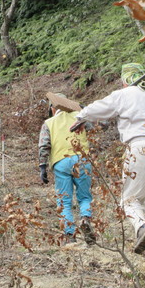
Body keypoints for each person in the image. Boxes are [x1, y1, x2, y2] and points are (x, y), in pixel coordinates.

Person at [71, 63, 145, 263]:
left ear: (125, 80)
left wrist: (81, 117)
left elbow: (100, 107)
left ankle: (142, 227)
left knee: (130, 199)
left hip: (138, 146)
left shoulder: (124, 94)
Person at [38, 94, 96, 245]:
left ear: (52, 108)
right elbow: (94, 127)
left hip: (61, 162)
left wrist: (42, 167)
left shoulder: (48, 123)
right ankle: (85, 219)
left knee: (64, 201)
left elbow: (44, 146)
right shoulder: (79, 117)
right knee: (84, 196)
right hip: (81, 160)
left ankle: (70, 236)